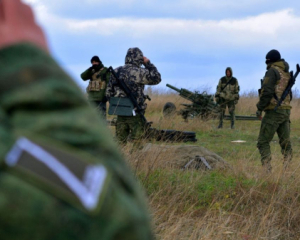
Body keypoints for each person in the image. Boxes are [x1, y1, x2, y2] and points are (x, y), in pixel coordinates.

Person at [0, 1, 153, 239]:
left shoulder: (114, 71)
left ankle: (132, 155)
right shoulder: (128, 71)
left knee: (122, 137)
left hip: (117, 108)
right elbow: (120, 221)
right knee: (135, 138)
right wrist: (25, 60)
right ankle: (137, 156)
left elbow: (110, 90)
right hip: (124, 109)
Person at [106, 47, 161, 144]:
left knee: (119, 143)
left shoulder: (116, 71)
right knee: (137, 142)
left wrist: (118, 105)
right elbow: (157, 78)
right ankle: (137, 159)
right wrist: (148, 63)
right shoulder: (140, 72)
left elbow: (108, 93)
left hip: (120, 112)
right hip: (135, 113)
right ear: (139, 58)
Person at [256, 49, 292, 172]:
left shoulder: (272, 71)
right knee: (285, 143)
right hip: (286, 111)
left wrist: (260, 108)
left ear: (269, 61)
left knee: (263, 142)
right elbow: (289, 94)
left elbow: (267, 92)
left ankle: (267, 171)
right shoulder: (285, 71)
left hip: (274, 111)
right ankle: (288, 171)